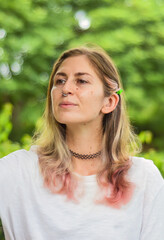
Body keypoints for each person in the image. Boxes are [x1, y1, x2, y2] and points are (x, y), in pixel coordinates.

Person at [0, 45, 164, 240]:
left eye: (82, 81)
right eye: (59, 80)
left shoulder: (143, 178)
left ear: (109, 102)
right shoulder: (18, 171)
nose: (66, 88)